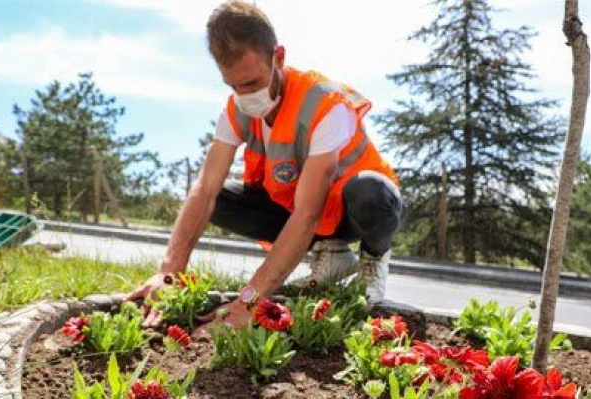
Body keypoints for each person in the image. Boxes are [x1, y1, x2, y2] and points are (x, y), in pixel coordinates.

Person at [126, 0, 405, 331]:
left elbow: (308, 213)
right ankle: (330, 256)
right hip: (308, 215)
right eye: (233, 86)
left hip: (360, 212)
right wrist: (169, 273)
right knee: (222, 201)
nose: (246, 96)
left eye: (253, 82)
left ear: (279, 57)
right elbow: (204, 190)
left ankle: (372, 260)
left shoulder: (326, 105)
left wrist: (249, 301)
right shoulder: (237, 111)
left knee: (370, 192)